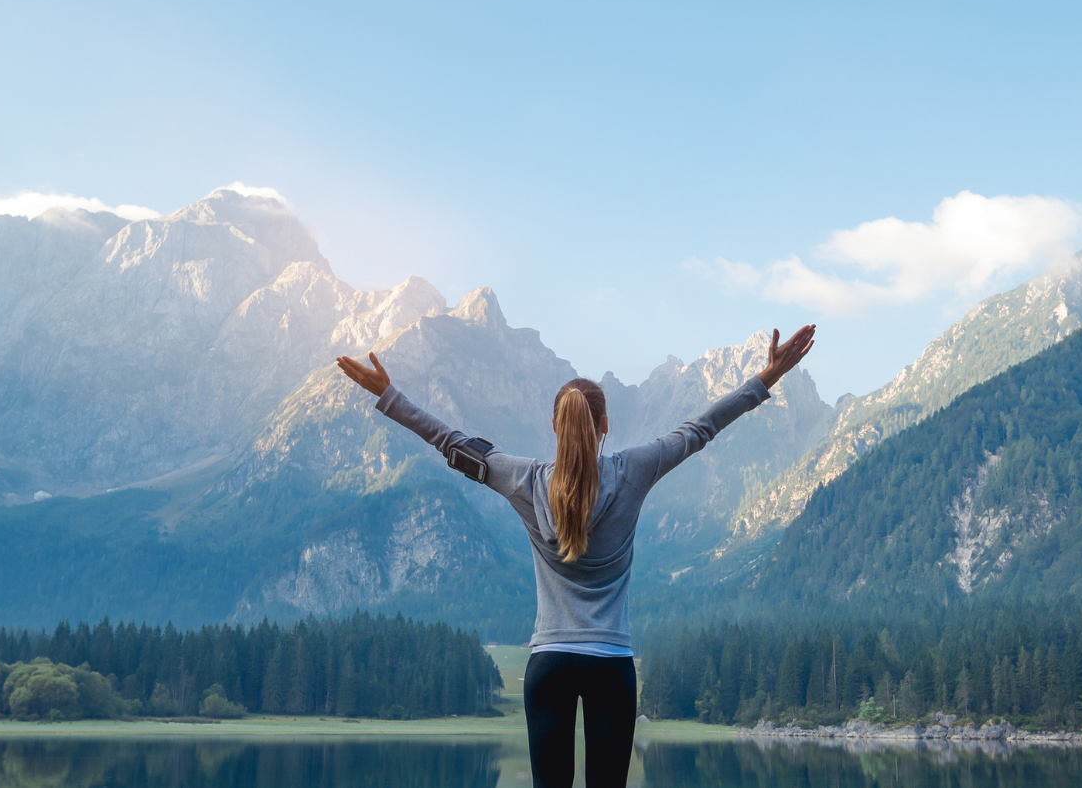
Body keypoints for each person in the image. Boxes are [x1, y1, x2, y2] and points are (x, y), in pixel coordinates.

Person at [335, 324, 816, 787]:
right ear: (605, 424)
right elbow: (701, 428)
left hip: (548, 665)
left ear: (554, 425)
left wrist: (390, 396)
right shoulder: (634, 470)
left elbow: (452, 443)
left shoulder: (523, 479)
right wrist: (767, 376)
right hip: (610, 663)